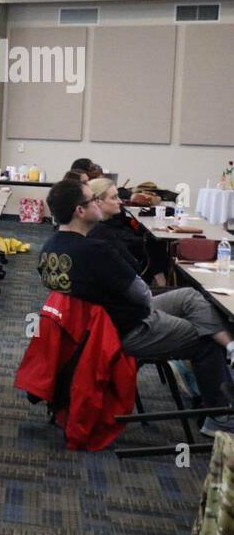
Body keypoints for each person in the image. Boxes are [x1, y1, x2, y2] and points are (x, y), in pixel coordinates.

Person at [40, 179, 234, 436]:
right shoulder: (97, 250)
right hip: (124, 330)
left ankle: (231, 347)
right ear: (80, 211)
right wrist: (154, 313)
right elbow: (141, 293)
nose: (99, 203)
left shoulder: (49, 248)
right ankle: (219, 421)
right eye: (93, 200)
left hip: (93, 329)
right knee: (206, 340)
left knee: (188, 296)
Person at [86, 178, 158, 282]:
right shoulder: (101, 232)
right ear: (98, 201)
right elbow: (133, 268)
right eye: (114, 197)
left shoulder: (92, 228)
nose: (120, 201)